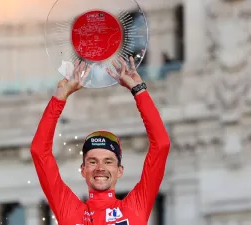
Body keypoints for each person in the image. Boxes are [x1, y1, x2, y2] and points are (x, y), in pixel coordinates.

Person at [30, 56, 171, 225]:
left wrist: (139, 90)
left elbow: (161, 145)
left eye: (108, 161)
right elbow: (39, 152)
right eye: (92, 161)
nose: (100, 168)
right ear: (83, 170)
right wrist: (59, 98)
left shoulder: (135, 207)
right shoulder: (70, 210)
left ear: (120, 170)